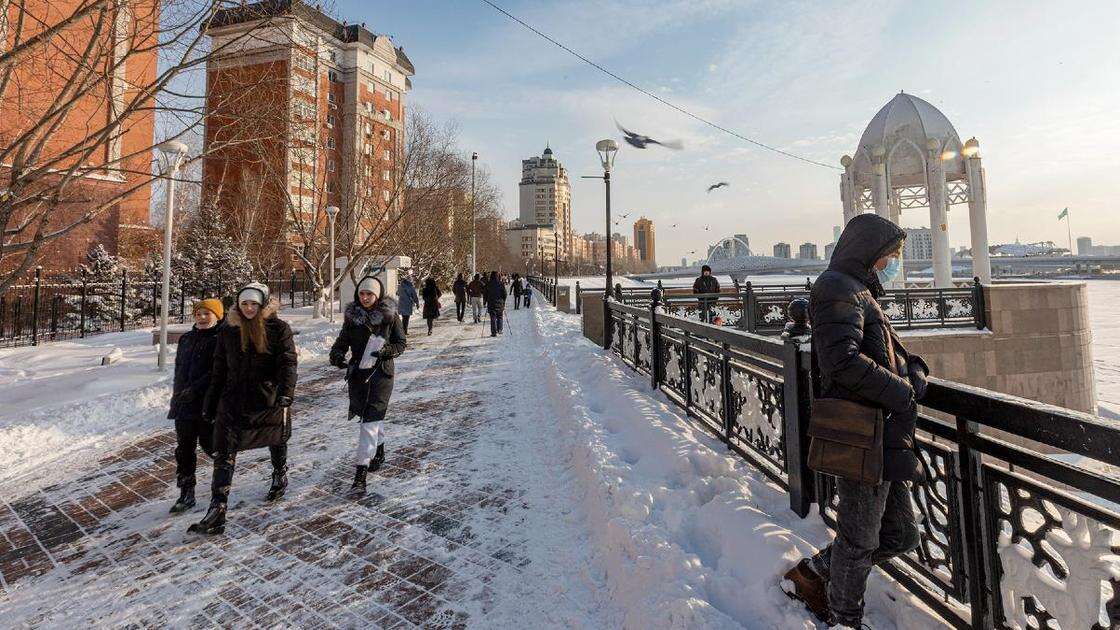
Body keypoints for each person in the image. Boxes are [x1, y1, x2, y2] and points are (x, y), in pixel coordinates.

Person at [781, 213, 928, 628]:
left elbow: (887, 349)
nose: (893, 263)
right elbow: (841, 361)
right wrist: (900, 392)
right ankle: (844, 617)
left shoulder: (860, 290)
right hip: (862, 435)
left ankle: (812, 575)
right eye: (891, 255)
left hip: (885, 438)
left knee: (900, 535)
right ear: (870, 251)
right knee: (859, 540)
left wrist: (913, 369)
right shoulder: (835, 289)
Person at [189, 283, 297, 536]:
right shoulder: (228, 331)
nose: (248, 308)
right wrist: (210, 401)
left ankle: (279, 473)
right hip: (233, 399)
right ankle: (217, 510)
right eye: (244, 304)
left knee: (276, 437)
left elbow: (288, 362)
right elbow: (219, 369)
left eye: (253, 304)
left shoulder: (278, 329)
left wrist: (285, 392)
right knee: (224, 449)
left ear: (262, 305)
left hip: (267, 396)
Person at [329, 276, 407, 494]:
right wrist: (336, 355)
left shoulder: (390, 316)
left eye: (369, 294)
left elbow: (401, 343)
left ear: (377, 295)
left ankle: (360, 474)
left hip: (381, 375)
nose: (365, 298)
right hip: (358, 376)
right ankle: (379, 449)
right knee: (369, 418)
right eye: (362, 294)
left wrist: (386, 352)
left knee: (370, 421)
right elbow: (341, 342)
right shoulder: (352, 317)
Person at [167, 298, 224, 514]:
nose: (201, 317)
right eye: (198, 313)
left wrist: (196, 390)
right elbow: (179, 372)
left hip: (207, 403)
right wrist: (178, 396)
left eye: (206, 314)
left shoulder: (220, 339)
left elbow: (217, 372)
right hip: (184, 405)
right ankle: (186, 492)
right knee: (184, 450)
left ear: (217, 316)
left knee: (212, 447)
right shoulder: (186, 339)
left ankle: (221, 488)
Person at [484, 271, 507, 337]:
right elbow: (505, 294)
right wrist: (503, 301)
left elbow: (485, 294)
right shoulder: (501, 284)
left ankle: (494, 332)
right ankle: (500, 329)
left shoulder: (488, 284)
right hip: (500, 303)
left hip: (491, 303)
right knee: (500, 316)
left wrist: (485, 301)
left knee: (493, 317)